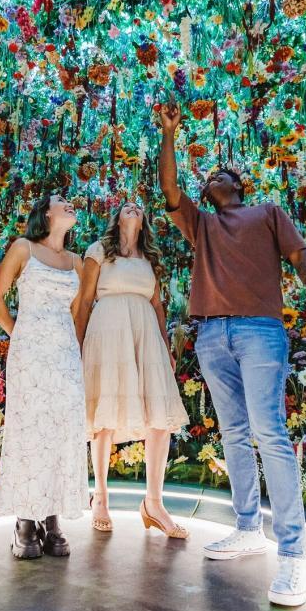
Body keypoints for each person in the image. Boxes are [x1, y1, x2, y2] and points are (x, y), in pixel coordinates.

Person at [155, 98, 306, 607]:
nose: (215, 176)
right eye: (209, 176)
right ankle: (246, 529)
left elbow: (302, 256)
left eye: (224, 172)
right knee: (234, 433)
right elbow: (169, 190)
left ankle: (292, 556)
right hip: (212, 334)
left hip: (261, 330)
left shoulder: (267, 214)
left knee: (269, 433)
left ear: (238, 187)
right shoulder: (201, 226)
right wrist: (170, 133)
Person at [73, 201, 190, 538]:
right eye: (126, 207)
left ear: (144, 221)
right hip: (107, 331)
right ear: (117, 218)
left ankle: (154, 502)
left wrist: (167, 347)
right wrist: (77, 346)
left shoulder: (149, 258)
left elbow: (157, 305)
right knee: (104, 415)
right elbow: (83, 301)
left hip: (145, 335)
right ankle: (101, 497)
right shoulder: (99, 251)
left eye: (138, 207)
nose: (133, 209)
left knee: (160, 415)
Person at [0, 194, 88, 560]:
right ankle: (24, 521)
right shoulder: (23, 248)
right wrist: (19, 332)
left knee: (61, 433)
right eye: (64, 200)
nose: (70, 204)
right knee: (30, 430)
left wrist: (73, 353)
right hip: (30, 352)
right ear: (46, 212)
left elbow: (77, 314)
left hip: (64, 356)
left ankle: (53, 517)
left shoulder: (77, 263)